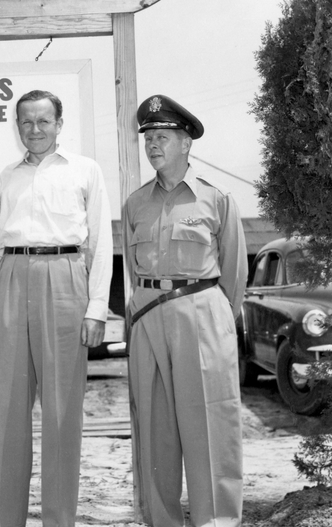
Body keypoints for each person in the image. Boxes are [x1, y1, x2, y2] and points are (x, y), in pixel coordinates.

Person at [0, 89, 113, 527]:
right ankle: (6, 519)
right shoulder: (5, 178)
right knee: (6, 412)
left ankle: (59, 519)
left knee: (61, 412)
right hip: (13, 278)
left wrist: (96, 308)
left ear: (59, 124)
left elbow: (100, 243)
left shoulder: (85, 171)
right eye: (26, 123)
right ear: (17, 127)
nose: (34, 130)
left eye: (43, 122)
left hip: (65, 277)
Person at [122, 94, 247, 527]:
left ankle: (218, 521)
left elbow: (233, 274)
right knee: (154, 433)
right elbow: (132, 271)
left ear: (186, 143)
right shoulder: (136, 204)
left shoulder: (217, 199)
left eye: (163, 137)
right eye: (149, 138)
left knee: (210, 427)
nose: (153, 145)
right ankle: (162, 521)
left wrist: (213, 322)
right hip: (148, 320)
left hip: (201, 313)